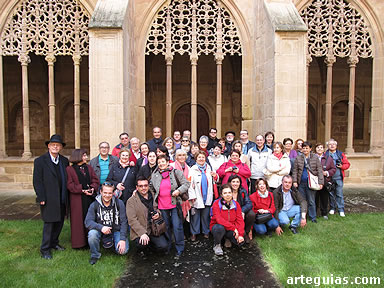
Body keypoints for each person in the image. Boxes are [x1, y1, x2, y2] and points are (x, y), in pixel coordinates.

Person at [33, 134, 69, 259]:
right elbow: (37, 181)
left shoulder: (64, 161)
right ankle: (45, 249)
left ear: (61, 147)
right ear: (48, 146)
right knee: (49, 223)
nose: (55, 147)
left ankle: (54, 243)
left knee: (59, 222)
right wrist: (41, 197)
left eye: (57, 145)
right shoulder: (40, 161)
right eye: (53, 145)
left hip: (62, 197)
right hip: (48, 198)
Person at [150, 155, 190, 256]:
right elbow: (150, 187)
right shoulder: (155, 175)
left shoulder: (176, 172)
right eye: (159, 162)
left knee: (177, 226)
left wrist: (178, 191)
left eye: (163, 161)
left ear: (168, 162)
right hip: (162, 206)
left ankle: (180, 247)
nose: (161, 164)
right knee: (166, 227)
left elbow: (186, 184)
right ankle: (168, 246)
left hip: (174, 204)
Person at [85, 182, 128, 265]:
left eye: (110, 193)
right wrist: (101, 228)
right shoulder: (94, 205)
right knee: (92, 234)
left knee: (123, 251)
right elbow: (88, 222)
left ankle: (114, 244)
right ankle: (95, 255)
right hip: (100, 230)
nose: (107, 195)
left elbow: (124, 222)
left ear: (113, 193)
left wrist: (122, 239)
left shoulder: (119, 203)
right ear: (101, 192)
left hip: (116, 230)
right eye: (105, 193)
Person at [66, 149, 99, 248]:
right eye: (84, 155)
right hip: (77, 199)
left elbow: (95, 179)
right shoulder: (69, 170)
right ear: (78, 156)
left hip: (89, 198)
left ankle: (90, 241)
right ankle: (79, 243)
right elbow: (70, 184)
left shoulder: (88, 168)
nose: (86, 157)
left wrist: (93, 188)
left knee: (90, 217)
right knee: (78, 220)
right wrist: (82, 190)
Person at [127, 177, 168, 252]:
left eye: (145, 185)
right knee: (142, 244)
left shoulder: (153, 195)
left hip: (154, 228)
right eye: (141, 186)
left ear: (148, 186)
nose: (143, 188)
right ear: (137, 187)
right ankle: (143, 249)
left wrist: (158, 214)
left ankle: (151, 246)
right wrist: (142, 233)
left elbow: (159, 208)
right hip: (141, 230)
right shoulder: (131, 201)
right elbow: (132, 220)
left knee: (163, 246)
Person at [188, 151, 218, 241]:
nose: (201, 159)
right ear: (196, 159)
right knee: (195, 216)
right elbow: (189, 184)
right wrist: (192, 196)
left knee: (206, 215)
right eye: (199, 157)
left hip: (207, 196)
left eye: (203, 157)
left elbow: (215, 180)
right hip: (197, 196)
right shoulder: (192, 169)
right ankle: (194, 233)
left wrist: (216, 176)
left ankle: (206, 231)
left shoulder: (209, 168)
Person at [292, 141, 324, 223]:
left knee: (311, 201)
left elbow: (320, 170)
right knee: (302, 200)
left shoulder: (315, 157)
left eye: (307, 148)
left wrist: (321, 182)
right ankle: (303, 216)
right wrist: (294, 181)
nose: (305, 150)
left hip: (311, 182)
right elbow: (295, 170)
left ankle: (313, 217)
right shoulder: (298, 158)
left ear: (310, 149)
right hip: (301, 183)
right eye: (304, 148)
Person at [210, 184, 245, 256]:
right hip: (219, 227)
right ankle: (217, 245)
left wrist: (240, 234)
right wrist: (234, 228)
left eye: (229, 192)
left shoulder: (236, 204)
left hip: (231, 228)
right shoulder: (216, 204)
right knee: (219, 228)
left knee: (240, 243)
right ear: (221, 195)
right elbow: (219, 220)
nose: (227, 195)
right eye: (225, 193)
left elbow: (240, 220)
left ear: (232, 193)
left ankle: (227, 238)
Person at [325, 139, 350, 217]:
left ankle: (341, 209)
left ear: (336, 146)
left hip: (338, 177)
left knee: (339, 194)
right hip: (329, 178)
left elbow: (347, 164)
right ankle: (332, 208)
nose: (332, 146)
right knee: (331, 194)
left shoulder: (340, 154)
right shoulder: (325, 154)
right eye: (330, 144)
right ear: (327, 146)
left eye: (333, 144)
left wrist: (342, 166)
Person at [228, 175, 254, 243]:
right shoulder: (226, 191)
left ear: (240, 183)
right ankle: (227, 238)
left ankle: (246, 232)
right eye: (233, 182)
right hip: (229, 212)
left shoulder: (243, 191)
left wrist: (242, 211)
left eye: (237, 182)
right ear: (230, 183)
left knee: (251, 214)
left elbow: (249, 203)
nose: (235, 184)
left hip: (240, 212)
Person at [315, 143, 336, 220]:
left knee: (324, 198)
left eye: (321, 147)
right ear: (315, 149)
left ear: (323, 149)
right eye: (318, 147)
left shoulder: (328, 158)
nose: (319, 149)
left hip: (325, 181)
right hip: (315, 181)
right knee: (315, 198)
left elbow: (333, 169)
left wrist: (326, 173)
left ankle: (324, 213)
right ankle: (315, 213)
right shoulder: (312, 158)